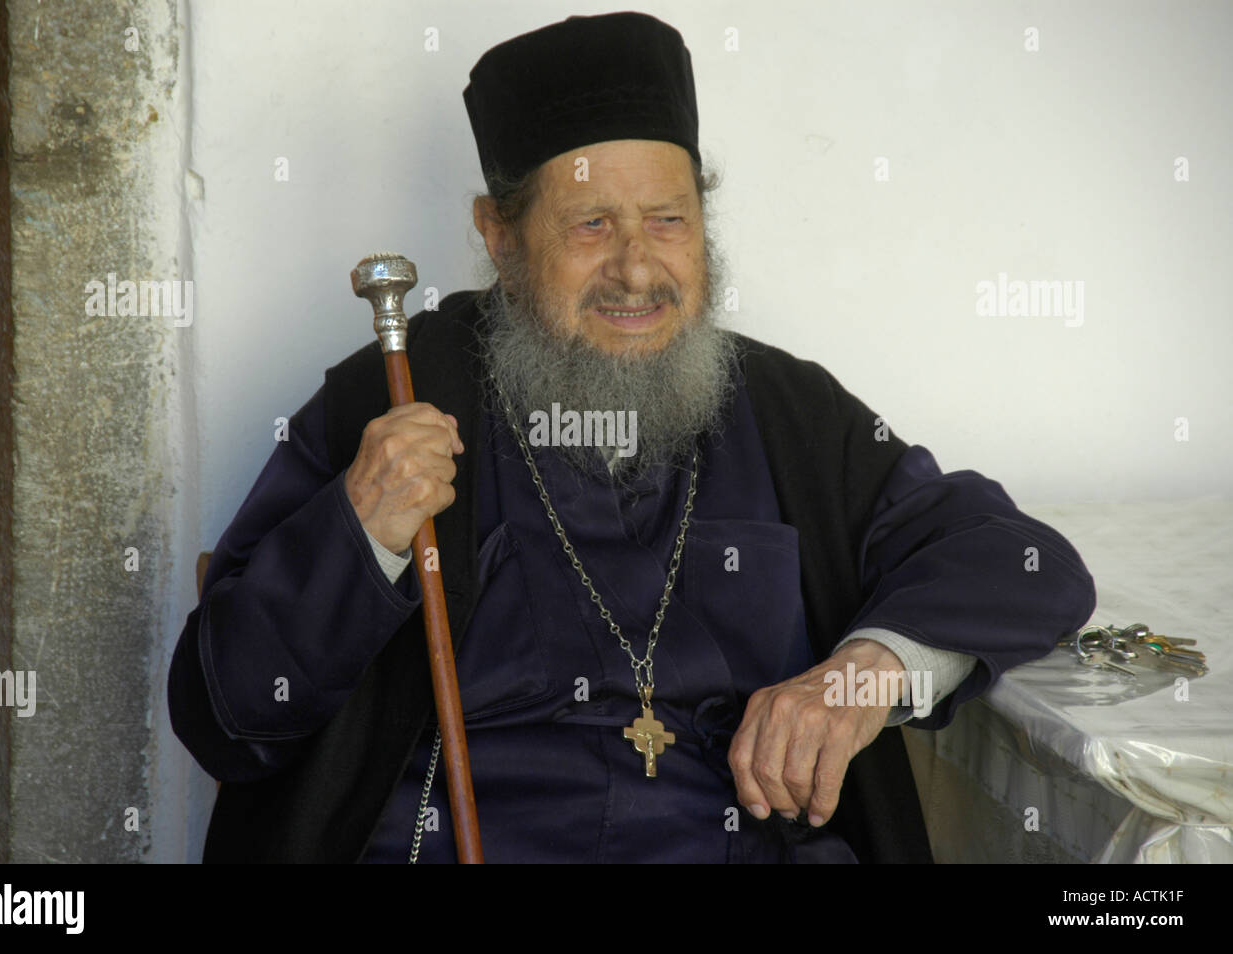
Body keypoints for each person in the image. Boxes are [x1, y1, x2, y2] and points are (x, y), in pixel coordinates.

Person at [168, 12, 1096, 863]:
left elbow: (1024, 563)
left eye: (667, 220)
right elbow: (229, 710)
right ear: (498, 233)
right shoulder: (396, 396)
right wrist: (358, 531)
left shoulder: (784, 409)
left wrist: (863, 675)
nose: (637, 267)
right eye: (590, 224)